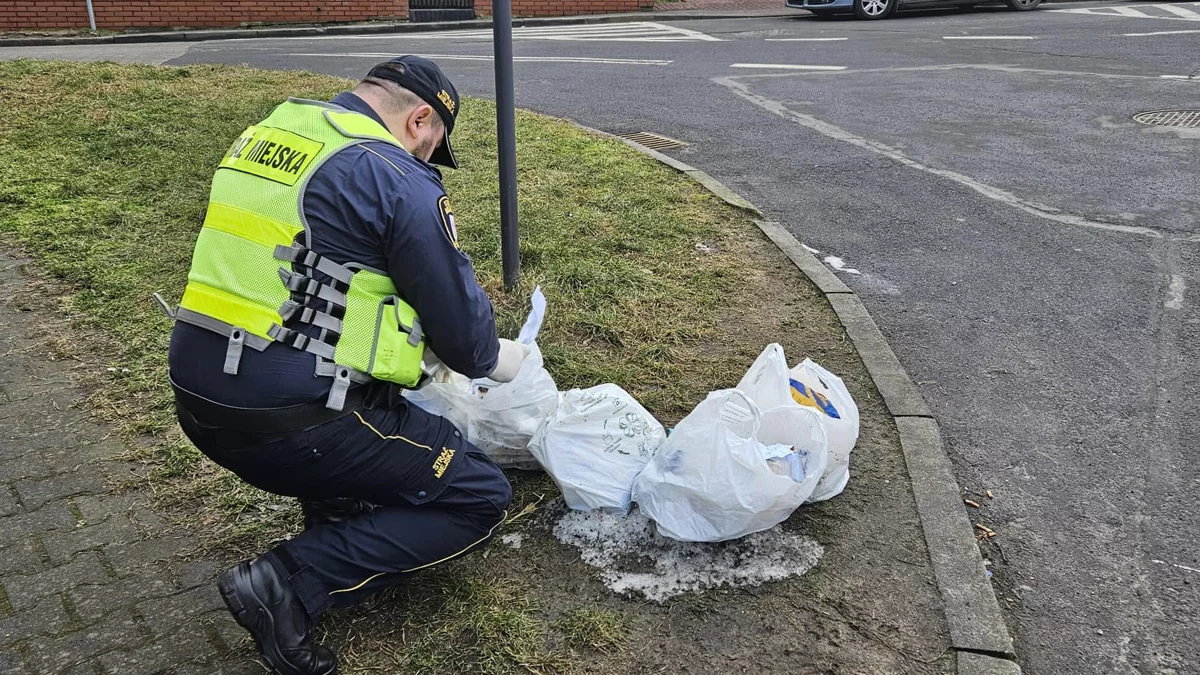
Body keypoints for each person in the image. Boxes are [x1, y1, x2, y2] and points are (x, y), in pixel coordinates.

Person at [163, 56, 526, 675]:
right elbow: (468, 344)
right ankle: (286, 583)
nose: (428, 161)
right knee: (480, 495)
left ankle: (337, 511)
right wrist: (499, 357)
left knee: (361, 407)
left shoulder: (274, 132)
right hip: (292, 421)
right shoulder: (395, 175)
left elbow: (305, 272)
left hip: (198, 396)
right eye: (434, 147)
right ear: (420, 121)